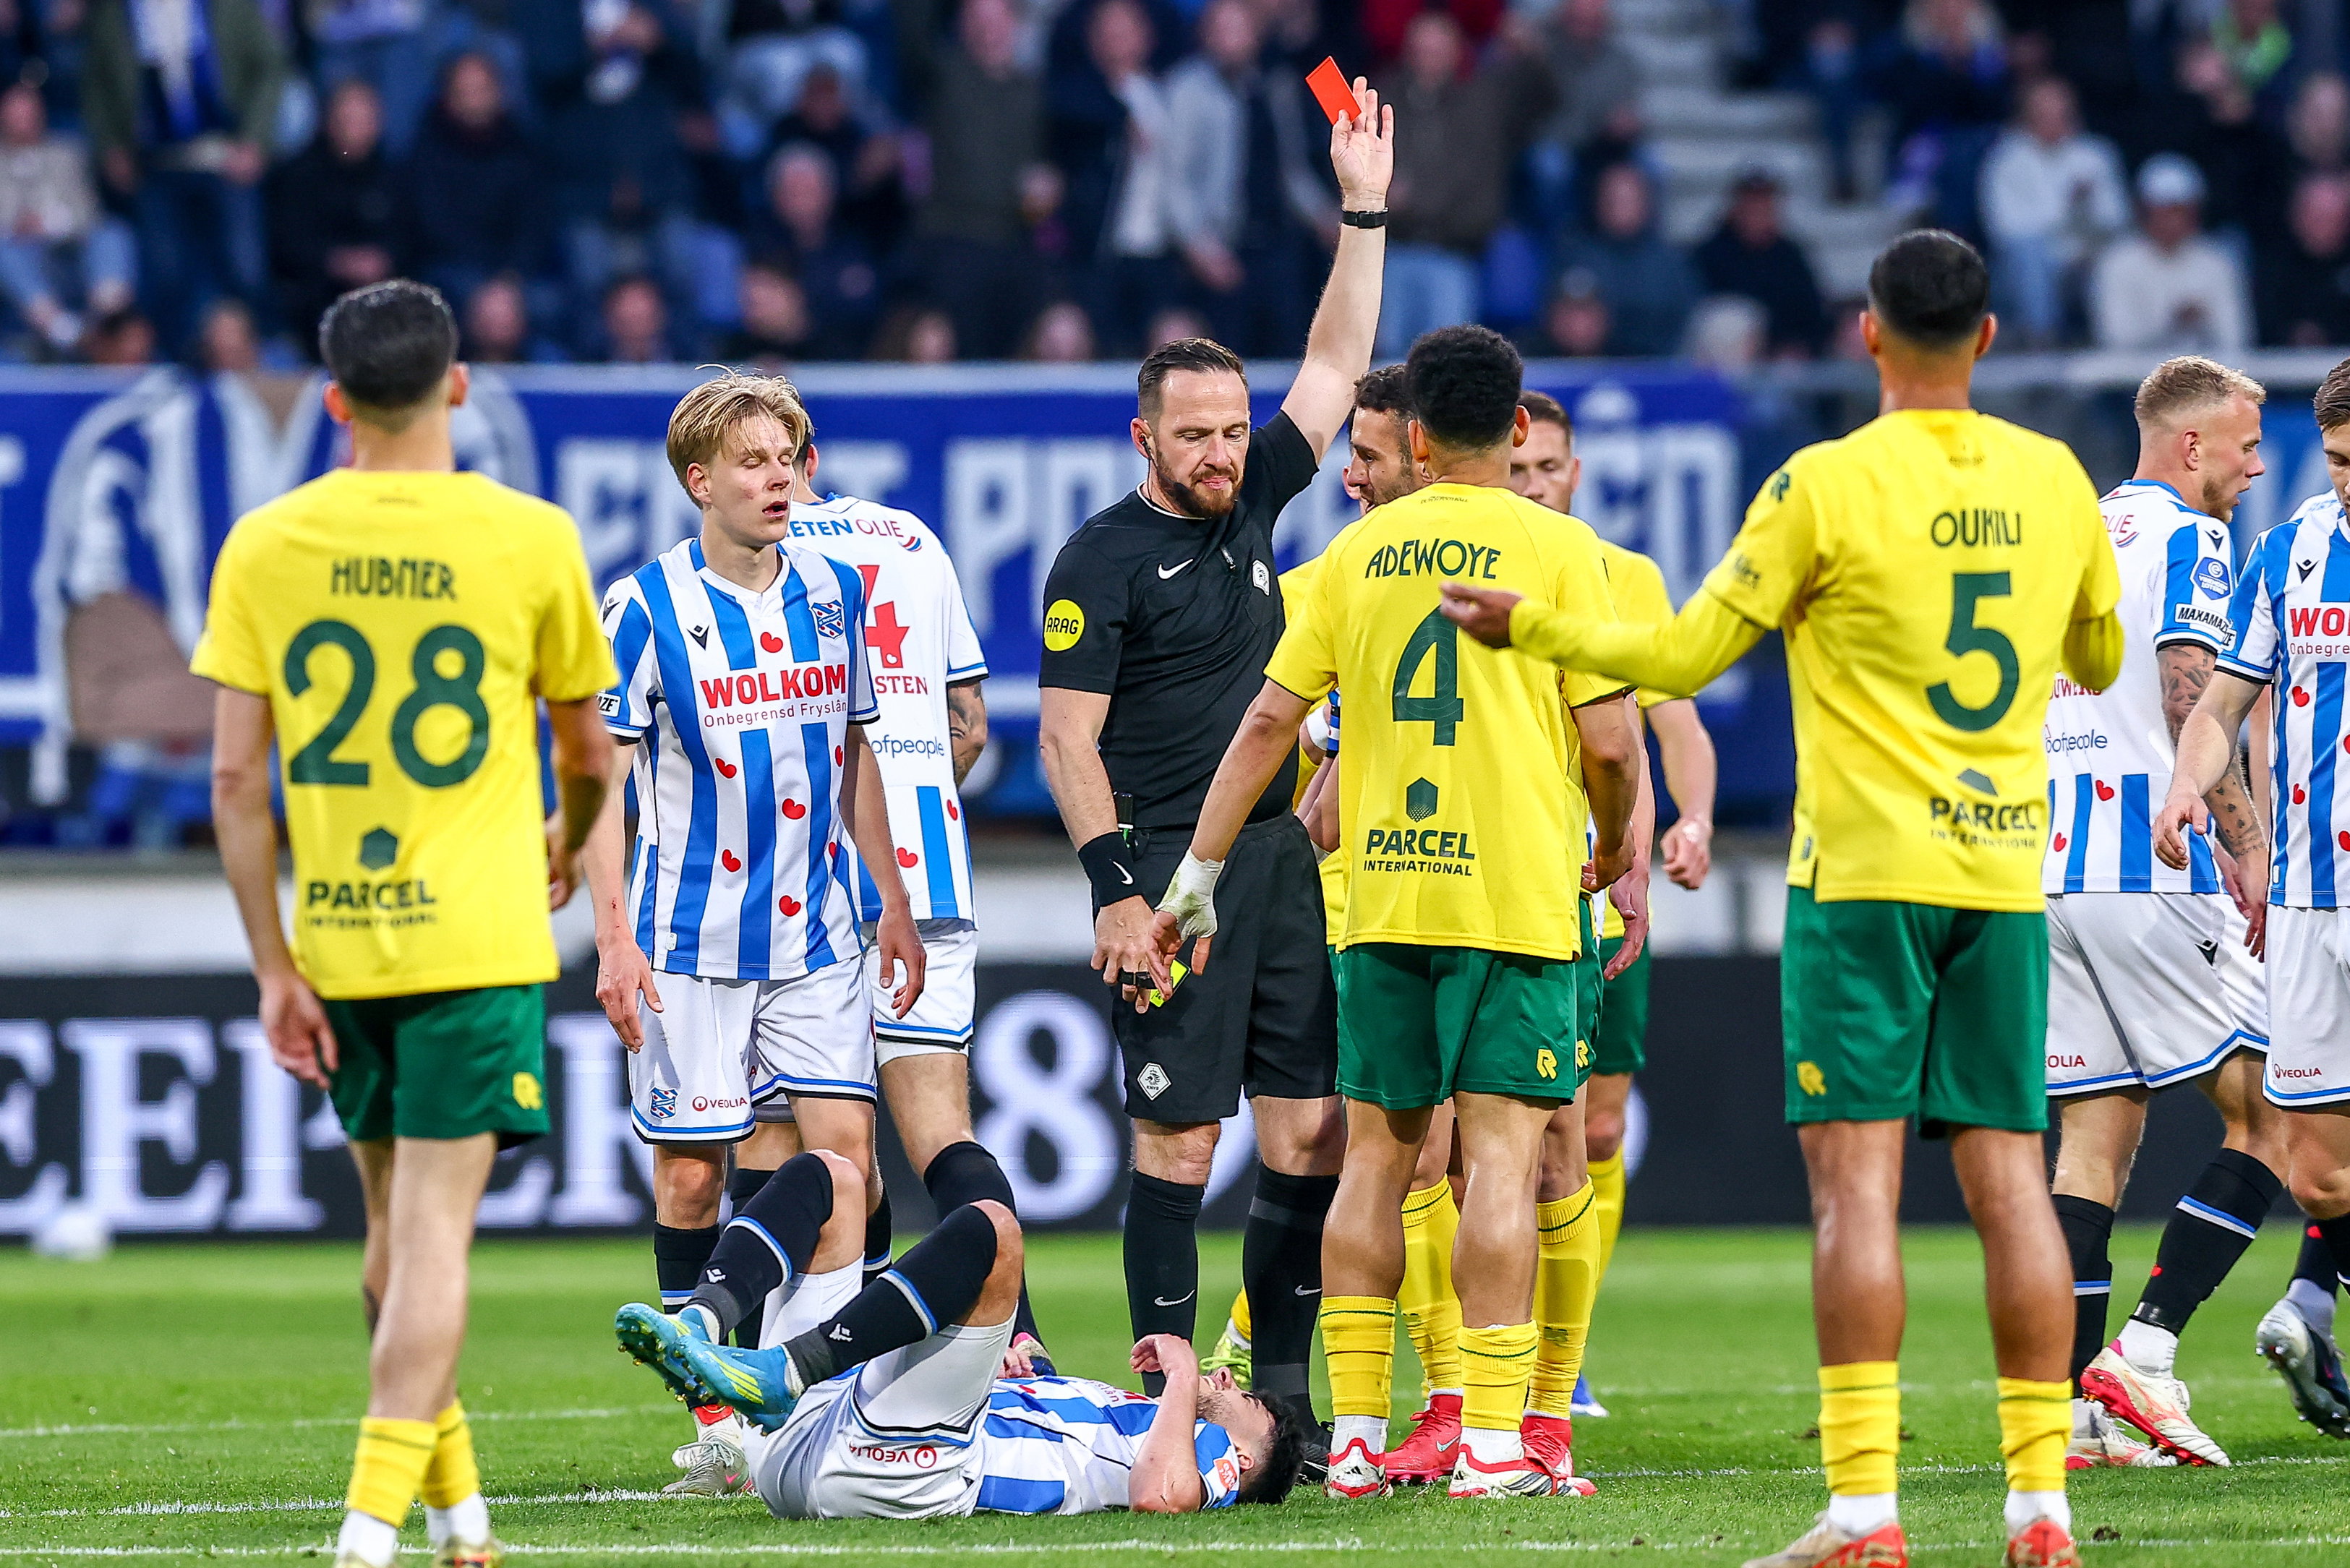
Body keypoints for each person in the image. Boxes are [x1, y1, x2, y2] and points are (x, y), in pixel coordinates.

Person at [1440, 229, 2119, 1567]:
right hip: (2000, 874)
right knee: (2012, 1185)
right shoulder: (2053, 476)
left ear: (1866, 335)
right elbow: (2094, 657)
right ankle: (2040, 1506)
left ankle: (1866, 1511)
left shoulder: (1824, 483)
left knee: (1856, 1190)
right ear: (1987, 338)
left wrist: (1535, 624)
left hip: (1862, 879)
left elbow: (1687, 651)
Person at [1153, 323, 1639, 1499]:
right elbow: (1613, 742)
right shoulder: (1562, 550)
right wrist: (1618, 837)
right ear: (1514, 426)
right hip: (1513, 900)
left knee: (1375, 1161)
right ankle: (1493, 1441)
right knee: (1502, 1161)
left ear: (1415, 437)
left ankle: (1361, 1437)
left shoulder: (1358, 556)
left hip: (1381, 901)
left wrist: (1196, 872)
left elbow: (1266, 724)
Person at [192, 279, 618, 1568]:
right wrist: (567, 832)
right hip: (474, 939)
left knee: (389, 1247)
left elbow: (233, 780)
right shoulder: (529, 537)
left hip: (338, 936)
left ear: (334, 401)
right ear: (458, 385)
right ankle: (366, 1535)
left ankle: (460, 1518)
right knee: (431, 1239)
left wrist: (272, 963)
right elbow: (587, 749)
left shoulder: (265, 543)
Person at [1033, 78, 1390, 1450]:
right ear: (1145, 438)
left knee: (1307, 1133)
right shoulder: (1101, 559)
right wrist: (1117, 893)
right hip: (1169, 880)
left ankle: (1282, 1398)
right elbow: (1065, 736)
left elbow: (1338, 361)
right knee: (1179, 1143)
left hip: (1279, 861)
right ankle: (1164, 1398)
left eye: (1235, 431)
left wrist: (1362, 209)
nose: (1223, 452)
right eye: (1195, 435)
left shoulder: (1255, 505)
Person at [579, 371, 926, 1496]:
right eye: (752, 462)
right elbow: (598, 787)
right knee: (692, 1183)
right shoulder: (641, 609)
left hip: (817, 933)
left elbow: (856, 753)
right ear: (700, 480)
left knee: (843, 1167)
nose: (778, 479)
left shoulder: (833, 593)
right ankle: (718, 1422)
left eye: (787, 458)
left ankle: (814, 1409)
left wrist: (891, 898)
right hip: (685, 944)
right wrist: (613, 938)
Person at [2039, 356, 2281, 1474]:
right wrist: (2245, 842)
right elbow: (2192, 693)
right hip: (2151, 860)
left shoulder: (2071, 532)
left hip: (2049, 868)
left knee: (2092, 1143)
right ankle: (2144, 1349)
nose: (2254, 465)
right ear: (2191, 446)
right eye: (2245, 443)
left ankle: (2068, 1417)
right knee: (2283, 1112)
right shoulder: (2193, 539)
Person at [773, 429, 1056, 1369]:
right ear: (815, 457)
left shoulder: (746, 554)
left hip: (801, 879)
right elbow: (967, 727)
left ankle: (800, 1373)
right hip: (926, 866)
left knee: (809, 1146)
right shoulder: (910, 539)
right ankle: (1017, 1337)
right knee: (941, 1131)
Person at [611, 1152, 1307, 1518]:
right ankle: (701, 1320)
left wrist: (1182, 1374)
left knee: (996, 1230)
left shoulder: (1215, 1454)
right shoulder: (1147, 1421)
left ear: (1249, 1457)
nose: (1226, 1379)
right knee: (834, 1176)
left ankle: (787, 1371)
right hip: (812, 1444)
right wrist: (1015, 1371)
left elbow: (1163, 1496)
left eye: (1246, 1399)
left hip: (904, 1469)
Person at [1510, 390, 1717, 1426]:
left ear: (1575, 473)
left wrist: (1694, 819)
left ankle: (1567, 1348)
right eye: (1517, 469)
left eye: (1548, 468)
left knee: (1595, 1128)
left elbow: (1675, 724)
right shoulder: (1476, 572)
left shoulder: (1625, 577)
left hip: (1600, 892)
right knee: (1486, 1138)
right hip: (1506, 880)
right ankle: (1485, 1353)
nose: (1533, 485)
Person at [2158, 356, 2350, 1456]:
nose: (2346, 481)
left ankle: (2310, 1306)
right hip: (2309, 902)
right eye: (2336, 461)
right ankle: (2312, 1305)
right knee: (2319, 1173)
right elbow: (2220, 705)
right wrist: (2188, 781)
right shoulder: (2288, 553)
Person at [2088, 154, 2250, 355]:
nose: (2173, 223)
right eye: (2165, 213)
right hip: (2133, 373)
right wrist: (2172, 323)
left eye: (2180, 213)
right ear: (2144, 213)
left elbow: (2237, 337)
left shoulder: (2217, 263)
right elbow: (2115, 337)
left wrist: (2202, 322)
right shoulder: (2117, 262)